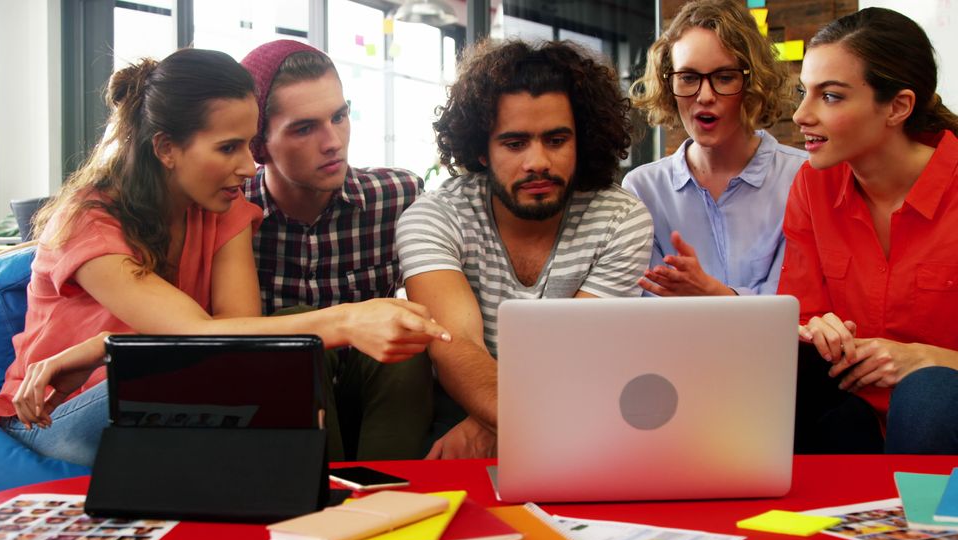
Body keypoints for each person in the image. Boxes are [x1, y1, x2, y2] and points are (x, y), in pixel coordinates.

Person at [0, 48, 449, 466]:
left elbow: (232, 331)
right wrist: (349, 318)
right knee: (206, 373)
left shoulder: (224, 206)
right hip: (61, 403)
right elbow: (196, 332)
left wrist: (106, 346)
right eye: (229, 149)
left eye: (246, 147)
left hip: (155, 368)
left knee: (261, 358)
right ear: (166, 149)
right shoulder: (93, 217)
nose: (247, 167)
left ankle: (355, 505)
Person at [396, 39, 654, 459]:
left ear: (581, 141)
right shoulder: (435, 216)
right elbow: (455, 343)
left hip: (577, 400)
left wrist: (495, 428)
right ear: (481, 148)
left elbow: (576, 354)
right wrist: (509, 419)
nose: (537, 161)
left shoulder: (621, 219)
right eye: (515, 144)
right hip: (459, 404)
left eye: (555, 140)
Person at [239, 41, 434, 459]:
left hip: (382, 390)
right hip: (280, 399)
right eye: (304, 128)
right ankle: (314, 499)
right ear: (258, 144)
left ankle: (393, 499)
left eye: (340, 116)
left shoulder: (398, 195)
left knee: (405, 335)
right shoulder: (232, 211)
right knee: (295, 334)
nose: (333, 142)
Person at [778, 7, 958, 453]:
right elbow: (800, 315)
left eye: (831, 96)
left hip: (939, 420)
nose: (801, 114)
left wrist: (932, 360)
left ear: (898, 106)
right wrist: (817, 329)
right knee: (780, 369)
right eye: (805, 92)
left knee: (928, 394)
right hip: (849, 418)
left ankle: (925, 521)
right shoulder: (812, 184)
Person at [623, 0, 805, 297]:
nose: (705, 96)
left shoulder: (801, 177)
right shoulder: (644, 189)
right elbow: (650, 311)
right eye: (688, 78)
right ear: (668, 84)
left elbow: (799, 305)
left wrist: (714, 295)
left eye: (724, 77)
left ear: (752, 82)